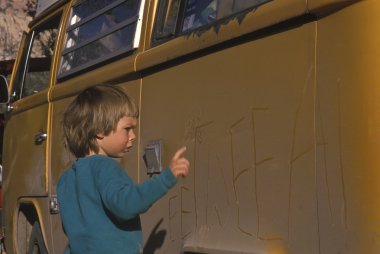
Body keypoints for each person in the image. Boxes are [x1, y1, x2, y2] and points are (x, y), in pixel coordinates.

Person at [57, 84, 190, 254]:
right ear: (99, 131)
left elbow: (71, 230)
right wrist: (165, 179)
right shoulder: (105, 167)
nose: (133, 136)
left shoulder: (66, 179)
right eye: (127, 129)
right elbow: (126, 204)